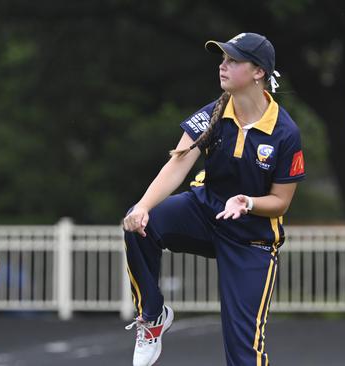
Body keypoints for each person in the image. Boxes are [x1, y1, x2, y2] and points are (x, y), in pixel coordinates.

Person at [123, 32, 306, 366]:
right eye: (222, 59)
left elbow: (280, 202)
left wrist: (247, 202)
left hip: (252, 239)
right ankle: (152, 317)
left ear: (258, 72)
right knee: (139, 223)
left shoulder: (285, 132)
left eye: (233, 60)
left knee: (243, 352)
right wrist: (144, 207)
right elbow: (177, 164)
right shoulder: (212, 113)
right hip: (205, 214)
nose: (223, 66)